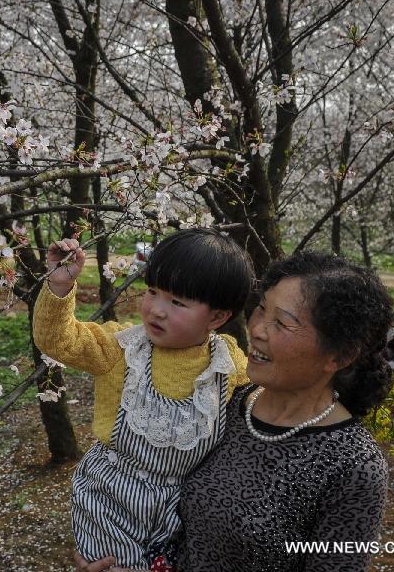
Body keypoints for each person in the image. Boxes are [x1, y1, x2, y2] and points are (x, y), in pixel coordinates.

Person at [76, 251, 394, 572]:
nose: (256, 329)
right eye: (261, 309)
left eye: (281, 323)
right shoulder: (221, 402)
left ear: (339, 356)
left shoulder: (355, 468)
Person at [34, 228, 254, 570]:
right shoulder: (120, 347)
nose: (156, 310)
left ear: (217, 317)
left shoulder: (228, 365)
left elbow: (266, 401)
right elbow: (59, 341)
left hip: (180, 507)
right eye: (152, 291)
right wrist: (60, 286)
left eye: (178, 302)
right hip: (108, 499)